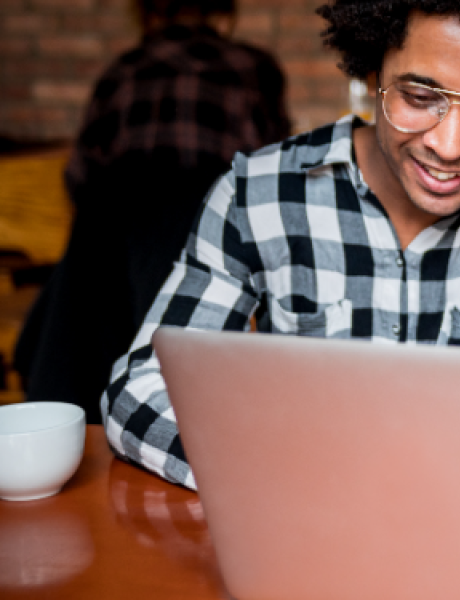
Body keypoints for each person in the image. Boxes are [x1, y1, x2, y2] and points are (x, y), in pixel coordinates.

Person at [102, 0, 460, 488]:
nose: (450, 145)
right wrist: (276, 472)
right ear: (372, 75)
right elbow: (140, 391)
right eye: (420, 98)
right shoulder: (257, 193)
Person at [14, 0, 290, 424]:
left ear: (148, 13)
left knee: (76, 320)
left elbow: (80, 174)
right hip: (201, 219)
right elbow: (271, 169)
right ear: (223, 13)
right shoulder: (252, 67)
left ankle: (76, 418)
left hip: (113, 221)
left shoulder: (123, 69)